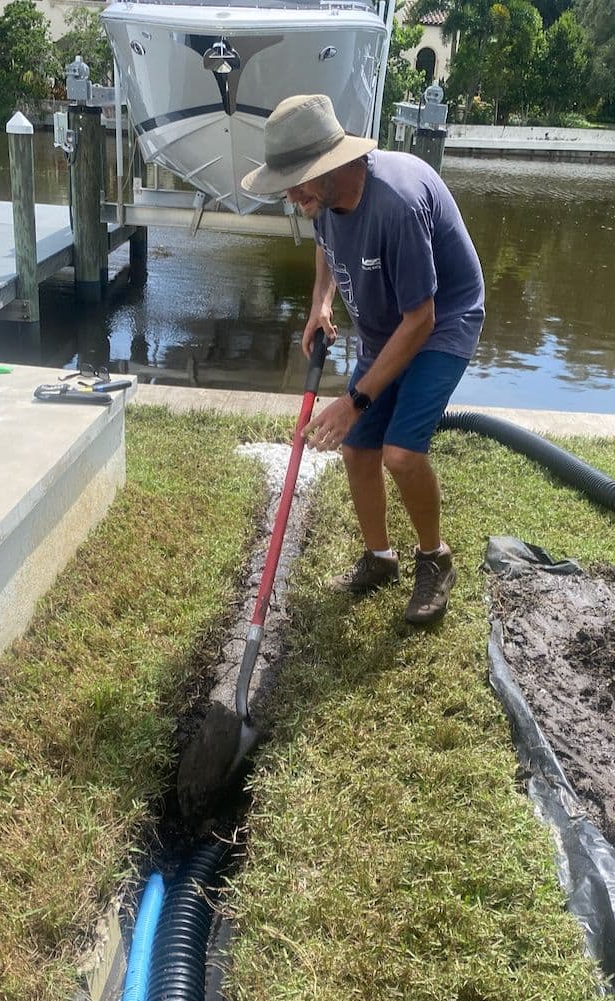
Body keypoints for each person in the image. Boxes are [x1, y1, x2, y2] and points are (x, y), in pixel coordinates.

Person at [242, 94, 485, 625]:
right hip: (386, 327)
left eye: (300, 179)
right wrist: (319, 304)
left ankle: (435, 560)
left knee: (399, 452)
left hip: (442, 322)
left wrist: (354, 401)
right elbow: (327, 243)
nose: (291, 193)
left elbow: (420, 320)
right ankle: (380, 559)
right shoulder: (324, 199)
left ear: (335, 164)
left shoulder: (395, 204)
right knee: (358, 452)